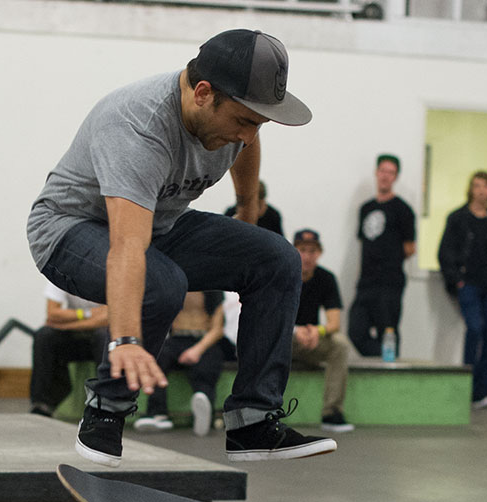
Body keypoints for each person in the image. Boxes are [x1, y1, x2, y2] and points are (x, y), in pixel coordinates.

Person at [26, 28, 336, 467]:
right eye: (243, 121)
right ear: (204, 93)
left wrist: (248, 205)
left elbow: (249, 143)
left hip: (159, 225)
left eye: (257, 123)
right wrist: (126, 341)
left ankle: (251, 421)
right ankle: (106, 410)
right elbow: (128, 246)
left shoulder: (235, 122)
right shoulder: (137, 124)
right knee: (162, 283)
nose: (247, 137)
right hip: (68, 231)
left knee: (277, 258)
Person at [438, 170, 487, 410]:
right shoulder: (458, 218)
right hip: (469, 285)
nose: (481, 190)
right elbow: (445, 252)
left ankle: (481, 394)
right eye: (477, 185)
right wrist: (457, 280)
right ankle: (467, 389)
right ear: (471, 189)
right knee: (475, 329)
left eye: (485, 186)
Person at [348, 154, 416, 358]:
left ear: (396, 177)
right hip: (366, 282)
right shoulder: (366, 208)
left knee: (387, 332)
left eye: (391, 172)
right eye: (383, 171)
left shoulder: (403, 210)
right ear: (376, 173)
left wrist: (389, 259)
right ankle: (384, 360)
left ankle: (389, 374)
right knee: (355, 331)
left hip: (390, 282)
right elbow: (365, 242)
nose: (386, 176)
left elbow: (410, 248)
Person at [132, 291, 225, 437]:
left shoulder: (213, 291)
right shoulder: (174, 288)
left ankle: (204, 414)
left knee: (205, 368)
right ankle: (157, 414)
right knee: (157, 358)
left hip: (203, 340)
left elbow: (217, 330)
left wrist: (196, 350)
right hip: (176, 339)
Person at [290, 230, 354, 432]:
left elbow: (334, 322)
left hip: (311, 341)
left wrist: (318, 331)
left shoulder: (326, 278)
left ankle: (332, 412)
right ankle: (265, 409)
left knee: (340, 345)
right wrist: (295, 331)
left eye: (312, 251)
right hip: (285, 338)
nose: (307, 256)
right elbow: (270, 314)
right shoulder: (283, 274)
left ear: (319, 253)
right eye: (302, 250)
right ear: (294, 251)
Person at [29, 282, 108, 417]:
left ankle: (107, 402)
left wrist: (66, 325)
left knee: (103, 335)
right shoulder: (62, 271)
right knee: (44, 335)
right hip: (77, 339)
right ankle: (42, 403)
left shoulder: (113, 273)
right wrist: (88, 313)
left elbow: (109, 318)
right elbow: (53, 314)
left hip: (104, 339)